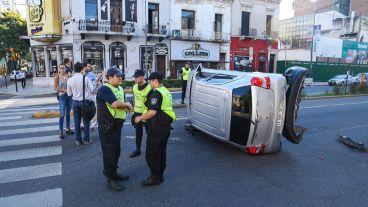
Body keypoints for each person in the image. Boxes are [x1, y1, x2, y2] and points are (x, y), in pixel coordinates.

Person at [134, 72, 176, 186]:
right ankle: (160, 175)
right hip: (165, 126)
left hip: (157, 126)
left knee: (152, 152)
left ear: (155, 81)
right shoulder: (166, 91)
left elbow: (152, 112)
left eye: (151, 81)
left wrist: (140, 118)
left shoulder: (156, 94)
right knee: (162, 151)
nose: (149, 83)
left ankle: (154, 177)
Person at [96, 67, 133, 192]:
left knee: (116, 150)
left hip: (117, 125)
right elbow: (115, 104)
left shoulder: (119, 88)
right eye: (117, 76)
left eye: (121, 75)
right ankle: (110, 179)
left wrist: (127, 105)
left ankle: (114, 173)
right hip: (107, 125)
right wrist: (127, 105)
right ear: (109, 77)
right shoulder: (104, 89)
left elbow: (121, 102)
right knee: (109, 152)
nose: (120, 78)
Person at [67, 62, 94, 146]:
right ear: (82, 69)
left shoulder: (70, 80)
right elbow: (92, 89)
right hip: (85, 102)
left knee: (76, 122)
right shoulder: (85, 78)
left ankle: (78, 140)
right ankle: (86, 139)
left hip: (75, 102)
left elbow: (69, 94)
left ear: (74, 69)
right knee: (86, 121)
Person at [130, 69, 152, 158]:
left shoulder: (150, 87)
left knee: (149, 133)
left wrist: (147, 115)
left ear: (142, 77)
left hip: (146, 114)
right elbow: (135, 98)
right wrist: (133, 110)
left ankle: (150, 150)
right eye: (134, 77)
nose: (135, 79)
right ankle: (138, 149)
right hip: (137, 113)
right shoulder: (135, 86)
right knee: (138, 132)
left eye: (136, 77)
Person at [54, 64, 74, 139]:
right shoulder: (57, 77)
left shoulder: (68, 76)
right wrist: (63, 90)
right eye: (61, 68)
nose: (62, 69)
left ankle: (68, 129)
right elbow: (55, 88)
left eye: (63, 68)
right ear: (59, 69)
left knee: (68, 113)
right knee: (62, 114)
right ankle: (61, 131)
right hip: (62, 96)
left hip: (69, 96)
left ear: (65, 68)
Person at [82, 62, 98, 129]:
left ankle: (93, 124)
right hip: (84, 95)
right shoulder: (81, 75)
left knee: (95, 109)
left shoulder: (92, 74)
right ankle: (82, 124)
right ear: (84, 67)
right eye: (88, 66)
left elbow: (96, 83)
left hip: (92, 94)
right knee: (83, 110)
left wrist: (96, 89)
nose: (90, 67)